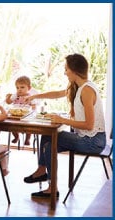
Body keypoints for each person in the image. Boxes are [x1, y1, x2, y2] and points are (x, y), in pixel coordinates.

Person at [23, 54, 106, 198]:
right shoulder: (79, 87)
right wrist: (34, 96)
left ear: (74, 71)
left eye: (66, 69)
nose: (65, 72)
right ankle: (44, 175)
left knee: (50, 141)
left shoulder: (87, 91)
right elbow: (57, 93)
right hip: (87, 138)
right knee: (48, 139)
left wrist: (63, 120)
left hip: (93, 142)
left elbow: (89, 124)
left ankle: (50, 184)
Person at [5, 76, 37, 145]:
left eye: (22, 87)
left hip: (26, 116)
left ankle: (27, 139)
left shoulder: (31, 97)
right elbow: (9, 102)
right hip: (15, 115)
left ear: (29, 88)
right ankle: (16, 137)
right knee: (12, 126)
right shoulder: (15, 95)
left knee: (29, 127)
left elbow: (34, 106)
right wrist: (8, 97)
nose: (19, 89)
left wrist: (33, 108)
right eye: (17, 87)